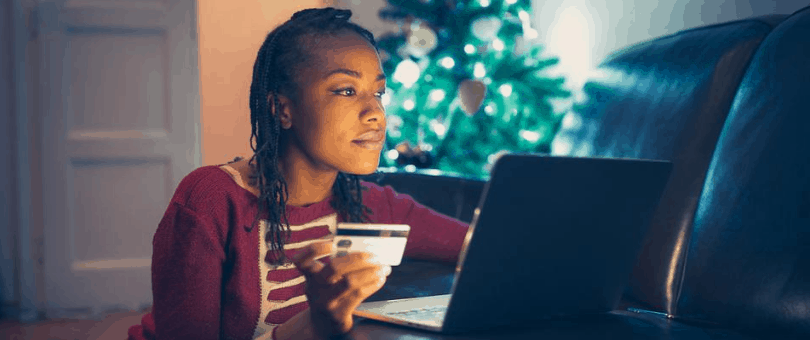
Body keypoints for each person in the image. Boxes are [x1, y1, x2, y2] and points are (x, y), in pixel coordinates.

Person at [127, 7, 469, 340]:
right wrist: (309, 327)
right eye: (346, 91)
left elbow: (479, 246)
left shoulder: (370, 205)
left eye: (378, 92)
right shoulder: (212, 200)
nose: (376, 114)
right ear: (282, 108)